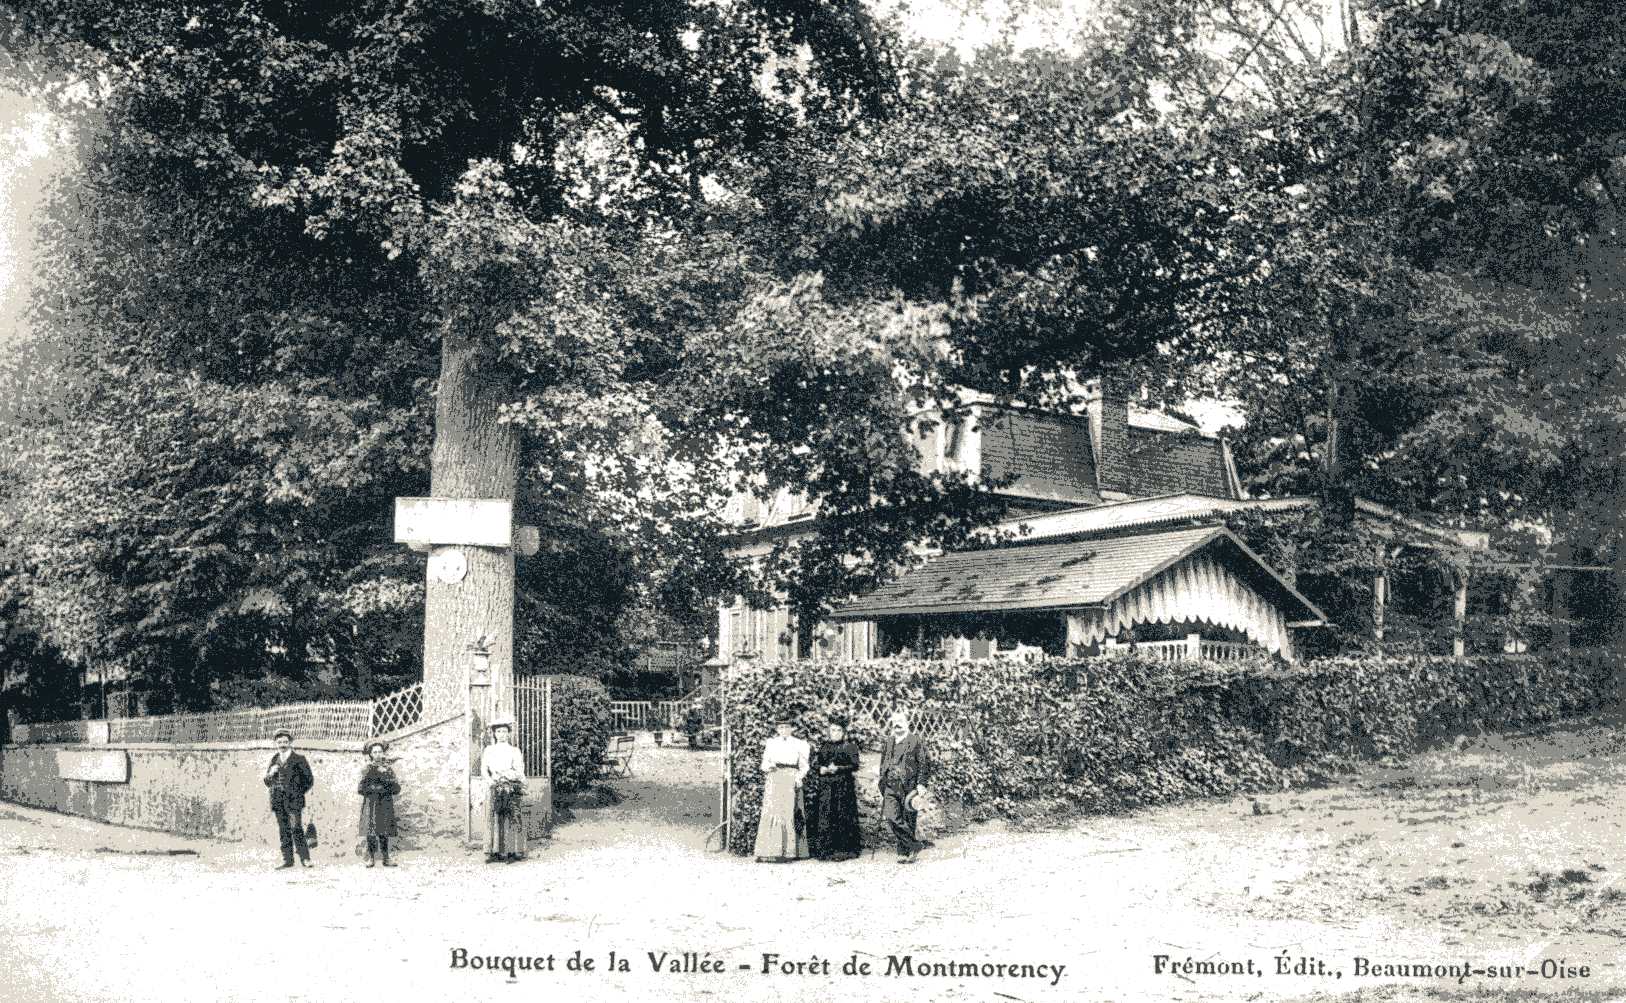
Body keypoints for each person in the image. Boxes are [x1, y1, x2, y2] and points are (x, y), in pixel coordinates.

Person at [753, 715, 810, 862]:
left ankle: (788, 852)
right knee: (772, 812)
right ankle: (770, 851)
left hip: (790, 779)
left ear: (792, 728)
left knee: (788, 813)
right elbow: (764, 764)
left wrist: (798, 778)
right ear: (777, 729)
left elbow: (804, 766)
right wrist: (769, 767)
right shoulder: (771, 743)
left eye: (786, 727)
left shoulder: (800, 744)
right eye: (780, 727)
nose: (783, 730)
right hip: (774, 778)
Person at [809, 717, 861, 862]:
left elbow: (855, 765)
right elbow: (816, 764)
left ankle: (843, 850)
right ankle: (826, 850)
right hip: (826, 786)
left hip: (843, 786)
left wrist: (838, 768)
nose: (835, 733)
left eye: (839, 730)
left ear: (843, 732)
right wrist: (822, 769)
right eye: (833, 730)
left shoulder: (850, 747)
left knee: (842, 815)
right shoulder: (824, 746)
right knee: (826, 815)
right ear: (829, 732)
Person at [878, 710, 928, 863]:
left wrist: (921, 783)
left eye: (900, 721)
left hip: (909, 786)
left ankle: (905, 852)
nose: (897, 724)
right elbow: (883, 762)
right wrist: (881, 777)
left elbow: (924, 763)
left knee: (908, 818)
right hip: (890, 785)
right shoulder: (889, 741)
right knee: (892, 816)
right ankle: (915, 845)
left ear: (907, 723)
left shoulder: (915, 740)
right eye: (894, 722)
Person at [263, 729, 315, 870]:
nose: (282, 745)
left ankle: (305, 858)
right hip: (278, 801)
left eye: (285, 742)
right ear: (276, 743)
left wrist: (297, 793)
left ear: (290, 742)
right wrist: (270, 773)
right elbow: (267, 782)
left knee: (296, 828)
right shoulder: (274, 759)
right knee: (283, 830)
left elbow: (309, 780)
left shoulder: (299, 759)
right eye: (279, 742)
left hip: (294, 801)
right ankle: (287, 860)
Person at [480, 716, 527, 863]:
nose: (501, 734)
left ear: (509, 733)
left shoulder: (514, 751)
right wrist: (491, 780)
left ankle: (513, 851)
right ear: (494, 733)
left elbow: (519, 771)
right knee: (493, 817)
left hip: (510, 786)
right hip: (494, 786)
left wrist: (506, 776)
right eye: (498, 731)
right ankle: (493, 852)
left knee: (511, 817)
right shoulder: (489, 750)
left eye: (504, 731)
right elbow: (483, 769)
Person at [357, 739, 401, 868]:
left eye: (380, 752)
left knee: (385, 829)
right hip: (371, 802)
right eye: (374, 752)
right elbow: (361, 788)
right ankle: (371, 858)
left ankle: (386, 858)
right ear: (370, 754)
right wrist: (376, 787)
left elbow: (396, 788)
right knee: (371, 830)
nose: (377, 754)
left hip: (385, 802)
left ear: (383, 753)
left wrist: (386, 779)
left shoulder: (388, 769)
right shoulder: (366, 769)